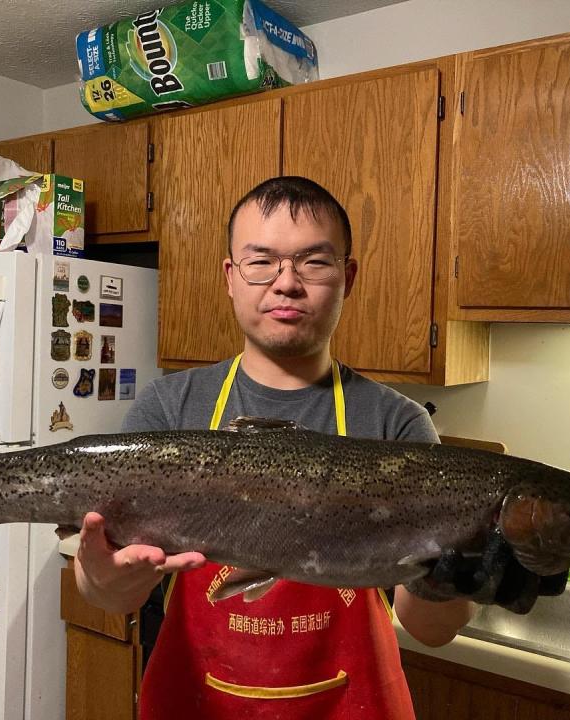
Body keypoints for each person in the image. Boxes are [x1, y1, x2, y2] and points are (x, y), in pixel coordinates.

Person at [74, 176, 473, 719]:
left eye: (314, 262)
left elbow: (430, 630)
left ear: (347, 277)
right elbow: (110, 594)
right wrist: (102, 578)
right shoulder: (168, 410)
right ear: (231, 278)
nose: (286, 283)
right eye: (261, 262)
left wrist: (460, 572)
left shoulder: (395, 423)